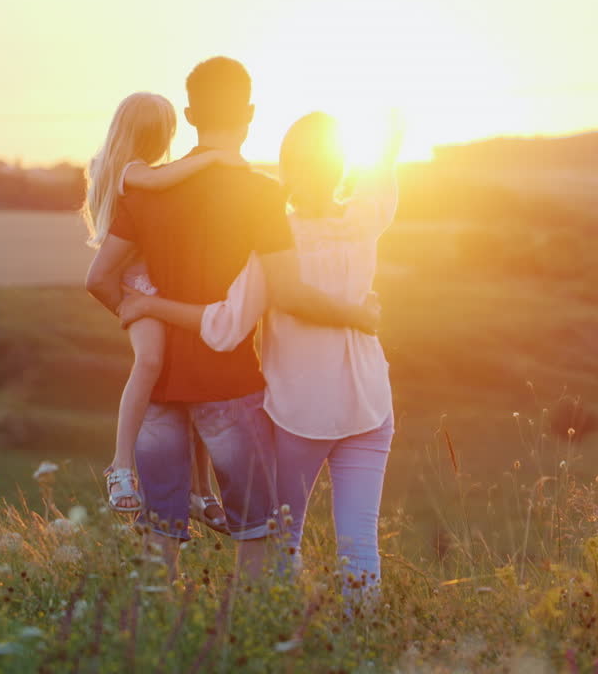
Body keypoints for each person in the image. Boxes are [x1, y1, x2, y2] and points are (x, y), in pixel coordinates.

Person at [84, 57, 379, 580]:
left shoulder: (148, 189)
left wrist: (140, 317)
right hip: (229, 383)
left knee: (159, 540)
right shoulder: (264, 195)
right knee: (255, 537)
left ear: (191, 113)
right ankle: (248, 645)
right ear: (250, 112)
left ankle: (155, 644)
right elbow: (286, 291)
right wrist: (358, 312)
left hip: (159, 386)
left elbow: (102, 278)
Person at [81, 91, 237, 529]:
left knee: (190, 375)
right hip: (139, 283)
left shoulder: (117, 168)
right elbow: (160, 182)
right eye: (166, 131)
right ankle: (121, 465)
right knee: (148, 362)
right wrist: (212, 158)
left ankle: (199, 489)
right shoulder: (131, 171)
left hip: (156, 282)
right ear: (152, 133)